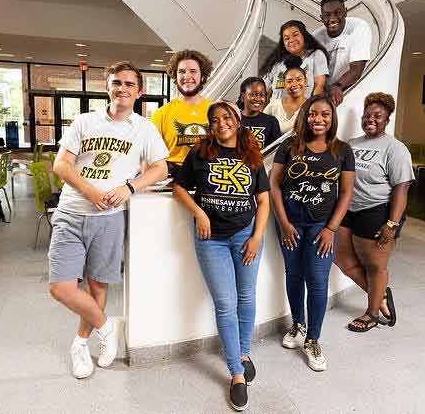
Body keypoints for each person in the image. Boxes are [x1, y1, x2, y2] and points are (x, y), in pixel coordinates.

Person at [48, 61, 169, 379]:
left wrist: (130, 187)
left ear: (139, 92)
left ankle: (81, 344)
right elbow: (61, 165)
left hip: (110, 219)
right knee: (61, 287)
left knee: (97, 286)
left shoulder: (144, 128)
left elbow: (160, 168)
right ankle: (106, 326)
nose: (123, 89)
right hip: (72, 213)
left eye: (130, 84)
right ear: (108, 87)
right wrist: (89, 191)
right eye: (117, 83)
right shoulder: (84, 122)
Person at [173, 102, 270, 411]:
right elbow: (179, 187)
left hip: (246, 235)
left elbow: (264, 200)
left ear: (238, 121)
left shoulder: (252, 155)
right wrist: (199, 213)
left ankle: (243, 351)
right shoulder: (201, 152)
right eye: (215, 120)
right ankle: (237, 373)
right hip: (211, 239)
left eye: (227, 117)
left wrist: (256, 236)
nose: (221, 123)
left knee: (247, 296)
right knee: (226, 304)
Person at [269, 94, 355, 371]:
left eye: (325, 114)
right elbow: (275, 186)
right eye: (313, 114)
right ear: (305, 117)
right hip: (290, 224)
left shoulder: (342, 150)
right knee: (294, 275)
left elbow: (346, 193)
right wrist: (283, 223)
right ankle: (298, 325)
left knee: (317, 280)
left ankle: (313, 340)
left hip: (322, 227)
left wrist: (331, 229)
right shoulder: (289, 147)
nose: (318, 119)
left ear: (332, 119)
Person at [333, 92, 415, 332]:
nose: (371, 119)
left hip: (377, 211)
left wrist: (392, 224)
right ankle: (380, 296)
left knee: (374, 266)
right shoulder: (352, 144)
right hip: (349, 208)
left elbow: (402, 188)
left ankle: (371, 313)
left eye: (377, 115)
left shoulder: (395, 148)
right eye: (367, 115)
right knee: (342, 259)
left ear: (387, 119)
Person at [151, 50, 214, 178]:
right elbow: (150, 156)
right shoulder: (162, 113)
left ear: (202, 76)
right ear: (175, 75)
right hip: (172, 179)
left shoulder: (215, 110)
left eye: (193, 71)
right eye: (182, 71)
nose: (187, 76)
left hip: (208, 177)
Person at [312, 0, 372, 106]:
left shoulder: (359, 27)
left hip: (346, 89)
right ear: (321, 18)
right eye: (327, 15)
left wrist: (337, 86)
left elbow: (357, 69)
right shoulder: (315, 37)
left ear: (345, 12)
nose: (332, 18)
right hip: (321, 92)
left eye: (338, 12)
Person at [261, 20, 329, 101]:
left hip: (303, 110)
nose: (291, 40)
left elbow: (319, 86)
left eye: (295, 35)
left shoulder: (316, 55)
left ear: (304, 35)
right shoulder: (277, 62)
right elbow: (266, 92)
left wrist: (310, 109)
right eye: (286, 38)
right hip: (274, 111)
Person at [263, 56, 308, 134]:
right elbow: (260, 128)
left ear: (306, 81)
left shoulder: (312, 106)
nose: (294, 84)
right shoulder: (274, 105)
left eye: (299, 79)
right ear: (284, 84)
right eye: (289, 81)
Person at [237, 76, 282, 149]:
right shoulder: (233, 120)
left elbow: (275, 151)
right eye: (253, 94)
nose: (258, 99)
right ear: (242, 97)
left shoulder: (271, 122)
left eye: (262, 95)